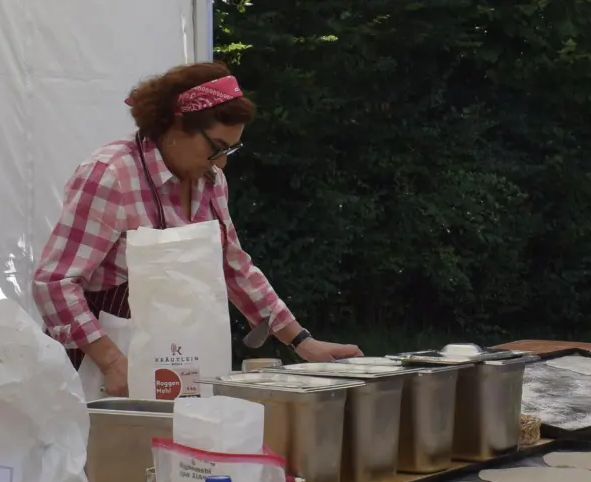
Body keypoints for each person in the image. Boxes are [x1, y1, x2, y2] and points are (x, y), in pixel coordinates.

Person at [34, 62, 360, 395]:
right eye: (216, 147)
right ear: (177, 125)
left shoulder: (211, 181)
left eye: (230, 149)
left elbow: (233, 267)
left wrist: (302, 341)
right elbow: (55, 283)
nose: (221, 163)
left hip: (172, 353)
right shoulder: (111, 174)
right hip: (95, 365)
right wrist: (112, 362)